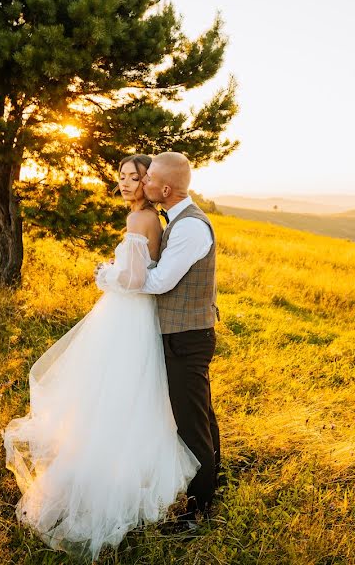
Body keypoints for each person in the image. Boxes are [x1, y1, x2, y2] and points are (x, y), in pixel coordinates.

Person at [2, 154, 200, 561]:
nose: (127, 183)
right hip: (136, 316)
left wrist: (104, 273)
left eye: (136, 177)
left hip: (128, 315)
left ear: (150, 182)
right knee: (128, 397)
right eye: (123, 176)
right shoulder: (151, 219)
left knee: (109, 398)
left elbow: (136, 279)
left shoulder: (139, 220)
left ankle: (100, 489)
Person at [140, 152, 221, 526]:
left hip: (187, 339)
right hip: (184, 334)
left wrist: (117, 276)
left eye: (150, 178)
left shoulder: (189, 227)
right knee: (200, 414)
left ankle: (199, 511)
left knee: (191, 426)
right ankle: (214, 480)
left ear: (166, 189)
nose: (144, 182)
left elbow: (159, 282)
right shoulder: (176, 220)